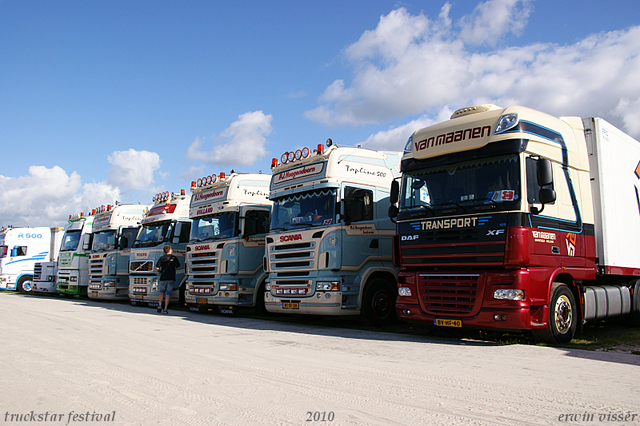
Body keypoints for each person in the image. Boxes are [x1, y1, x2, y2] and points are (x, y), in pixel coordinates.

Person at [155, 245, 180, 314]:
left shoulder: (162, 258)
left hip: (163, 277)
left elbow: (157, 268)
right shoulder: (173, 258)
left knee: (161, 292)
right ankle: (165, 308)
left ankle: (159, 305)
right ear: (169, 250)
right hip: (171, 277)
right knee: (168, 293)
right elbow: (178, 267)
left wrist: (160, 272)